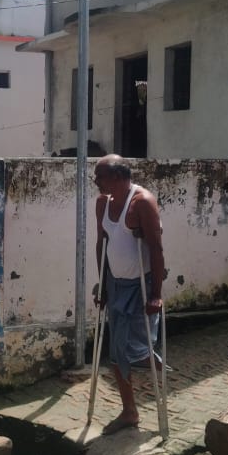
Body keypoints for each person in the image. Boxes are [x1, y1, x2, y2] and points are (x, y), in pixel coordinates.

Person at [94, 155, 165, 435]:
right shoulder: (103, 203)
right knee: (117, 351)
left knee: (138, 346)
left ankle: (152, 360)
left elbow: (156, 248)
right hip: (116, 284)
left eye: (99, 177)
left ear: (116, 177)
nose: (96, 182)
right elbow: (101, 243)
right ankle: (129, 411)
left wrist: (156, 294)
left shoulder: (142, 202)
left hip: (141, 286)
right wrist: (103, 285)